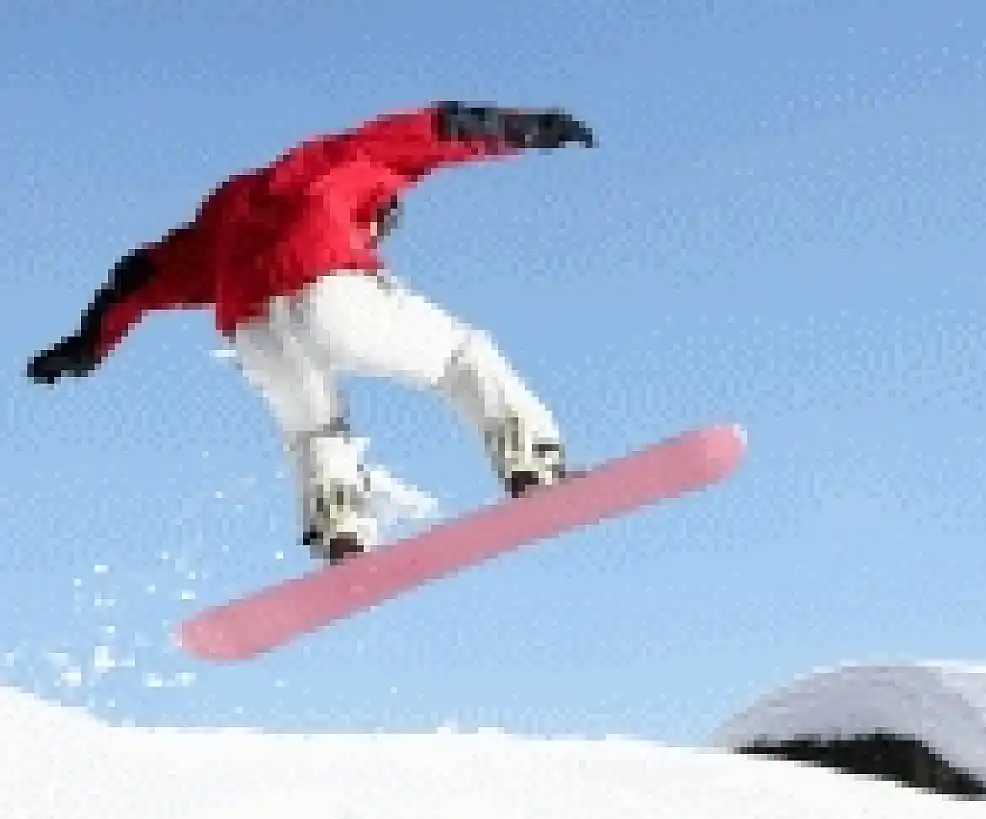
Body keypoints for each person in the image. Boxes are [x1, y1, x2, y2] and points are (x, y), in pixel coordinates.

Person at [26, 101, 596, 563]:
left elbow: (138, 275)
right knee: (464, 357)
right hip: (328, 289)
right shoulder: (361, 157)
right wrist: (531, 130)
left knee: (314, 429)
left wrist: (87, 344)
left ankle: (340, 532)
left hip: (251, 327)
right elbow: (446, 126)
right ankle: (534, 465)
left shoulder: (226, 212)